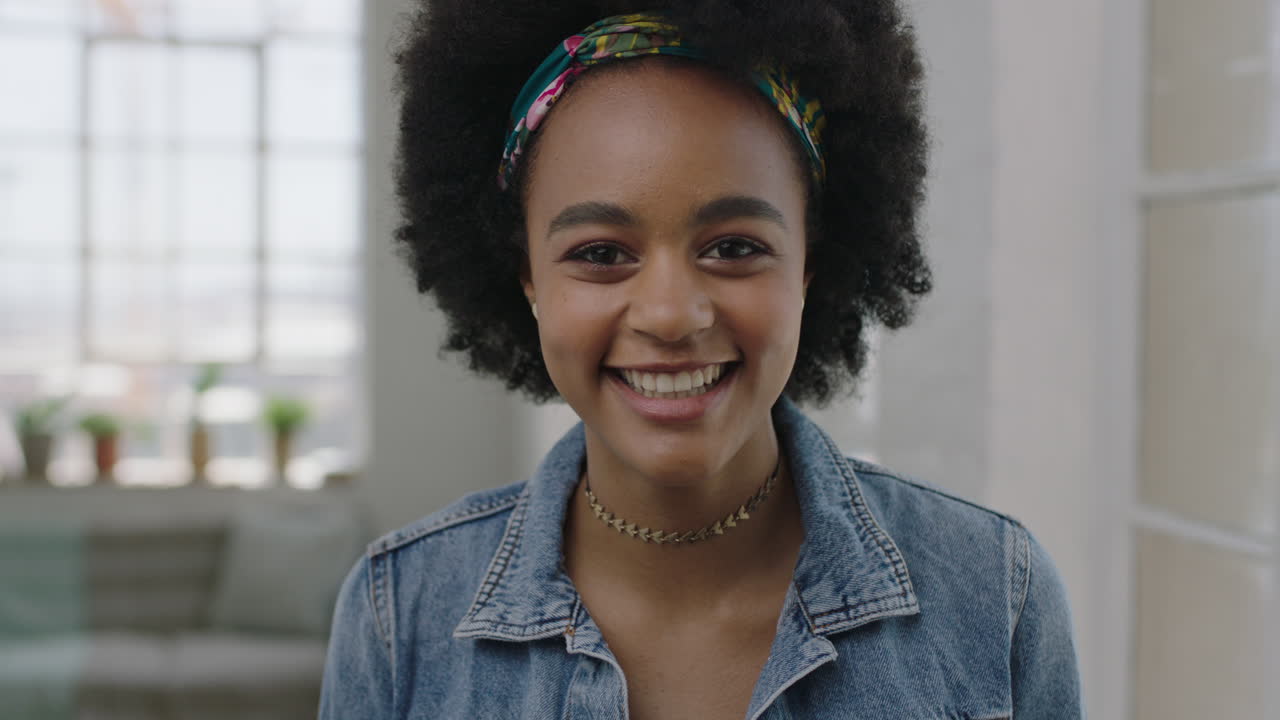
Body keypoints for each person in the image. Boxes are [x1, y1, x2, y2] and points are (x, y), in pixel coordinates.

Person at [319, 1, 1084, 718]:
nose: (670, 314)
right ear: (527, 279)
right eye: (600, 253)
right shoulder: (399, 614)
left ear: (809, 265)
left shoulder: (995, 594)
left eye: (734, 248)